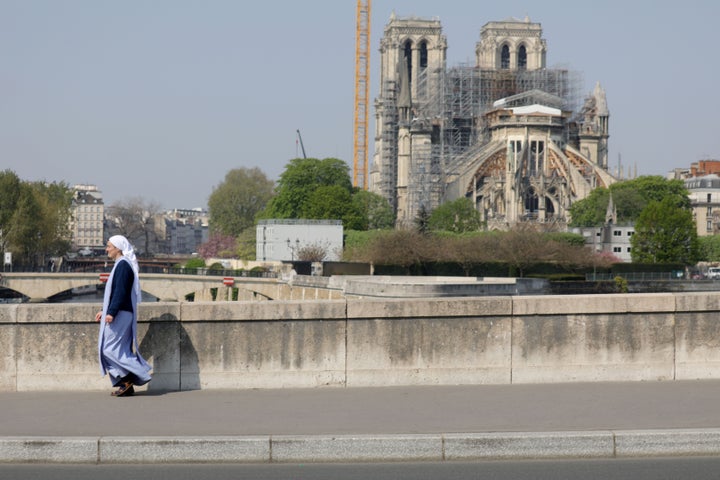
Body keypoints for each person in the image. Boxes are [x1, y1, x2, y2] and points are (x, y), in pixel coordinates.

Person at [95, 235, 152, 397]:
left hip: (120, 313)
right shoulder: (123, 265)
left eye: (109, 246)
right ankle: (127, 385)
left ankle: (136, 374)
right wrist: (104, 310)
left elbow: (120, 291)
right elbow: (117, 292)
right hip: (122, 312)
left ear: (118, 248)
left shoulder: (122, 266)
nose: (106, 249)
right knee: (117, 349)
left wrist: (111, 312)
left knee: (108, 349)